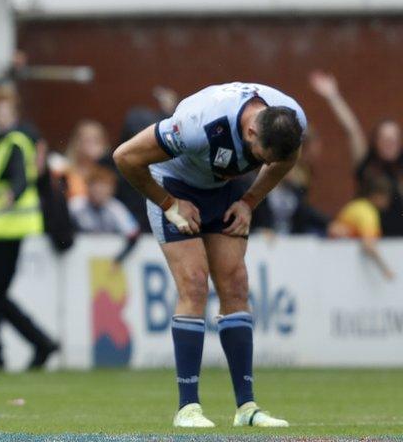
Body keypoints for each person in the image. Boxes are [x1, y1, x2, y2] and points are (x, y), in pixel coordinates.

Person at [113, 82, 305, 428]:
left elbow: (287, 159)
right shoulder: (196, 126)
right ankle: (188, 409)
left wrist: (250, 201)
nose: (263, 164)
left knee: (235, 284)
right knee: (194, 283)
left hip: (224, 188)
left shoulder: (289, 119)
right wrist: (169, 205)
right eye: (261, 157)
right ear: (250, 130)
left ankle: (247, 409)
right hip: (174, 185)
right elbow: (125, 157)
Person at [0, 83, 59, 370]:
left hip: (7, 228)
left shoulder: (13, 141)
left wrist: (12, 194)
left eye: (4, 110)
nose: (0, 116)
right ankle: (39, 343)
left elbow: (21, 178)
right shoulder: (3, 141)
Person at [309, 71, 402, 236]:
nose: (389, 144)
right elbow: (352, 130)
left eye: (393, 139)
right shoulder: (366, 164)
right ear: (376, 142)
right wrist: (333, 96)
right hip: (367, 239)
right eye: (385, 139)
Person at [328, 174, 396, 280]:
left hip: (333, 263)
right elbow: (368, 245)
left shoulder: (356, 205)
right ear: (378, 196)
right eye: (387, 197)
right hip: (341, 265)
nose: (389, 202)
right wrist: (385, 269)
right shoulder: (367, 212)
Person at [68, 165, 140, 263]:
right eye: (96, 186)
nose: (99, 191)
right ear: (88, 186)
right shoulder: (75, 206)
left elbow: (133, 233)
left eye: (104, 187)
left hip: (107, 259)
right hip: (78, 258)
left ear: (111, 190)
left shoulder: (116, 208)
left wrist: (119, 258)